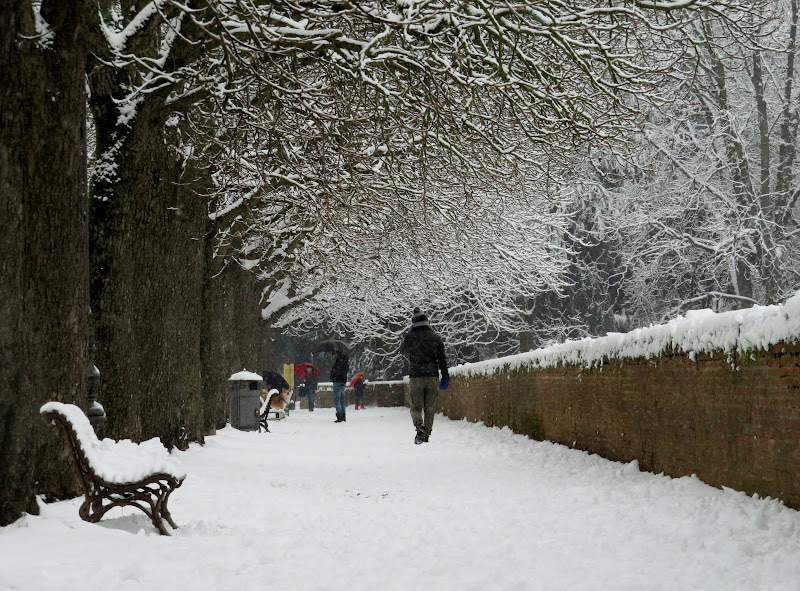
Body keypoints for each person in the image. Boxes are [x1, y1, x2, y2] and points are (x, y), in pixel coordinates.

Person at [400, 307, 449, 444]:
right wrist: (445, 377)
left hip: (416, 377)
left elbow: (402, 351)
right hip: (432, 377)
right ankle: (426, 432)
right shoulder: (436, 338)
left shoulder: (410, 338)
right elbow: (442, 360)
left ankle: (419, 427)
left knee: (415, 406)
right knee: (430, 408)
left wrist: (409, 335)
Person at [330, 349, 349, 423]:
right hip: (343, 381)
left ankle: (339, 416)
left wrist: (332, 372)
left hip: (337, 381)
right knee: (342, 399)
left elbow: (337, 372)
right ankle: (343, 415)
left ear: (336, 354)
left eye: (333, 355)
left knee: (337, 399)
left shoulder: (338, 362)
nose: (332, 357)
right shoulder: (344, 361)